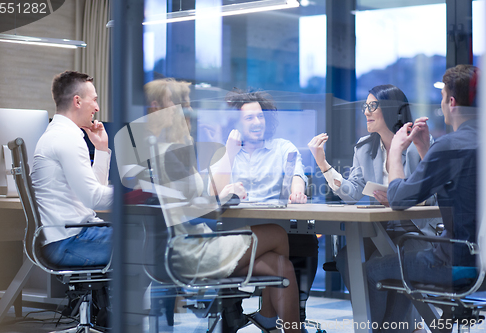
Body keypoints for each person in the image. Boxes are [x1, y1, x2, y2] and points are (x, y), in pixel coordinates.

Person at [140, 81, 303, 333]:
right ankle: (274, 322)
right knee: (278, 234)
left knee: (283, 266)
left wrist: (217, 196)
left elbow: (194, 197)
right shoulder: (169, 152)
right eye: (182, 105)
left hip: (198, 241)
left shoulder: (175, 149)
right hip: (190, 250)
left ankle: (273, 321)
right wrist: (221, 196)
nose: (189, 110)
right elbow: (194, 205)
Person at [308, 85, 440, 330]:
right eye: (365, 106)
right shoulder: (365, 147)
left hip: (415, 231)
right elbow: (352, 193)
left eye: (372, 106)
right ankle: (384, 326)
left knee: (389, 261)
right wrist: (323, 164)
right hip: (378, 230)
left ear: (390, 109)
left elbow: (435, 196)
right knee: (347, 258)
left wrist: (403, 199)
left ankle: (379, 327)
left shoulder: (419, 144)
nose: (365, 112)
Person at [365, 64, 479, 332]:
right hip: (480, 260)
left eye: (442, 98)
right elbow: (458, 189)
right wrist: (426, 148)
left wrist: (395, 152)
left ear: (451, 102)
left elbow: (398, 198)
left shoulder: (452, 145)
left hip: (456, 263)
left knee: (371, 271)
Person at [210, 89, 317, 330]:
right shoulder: (227, 152)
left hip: (267, 235)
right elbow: (212, 193)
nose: (258, 122)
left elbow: (296, 174)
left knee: (283, 266)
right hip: (232, 239)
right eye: (249, 118)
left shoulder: (281, 147)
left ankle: (279, 323)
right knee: (279, 241)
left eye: (261, 116)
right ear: (236, 123)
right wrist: (229, 151)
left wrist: (297, 191)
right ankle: (270, 317)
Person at [32, 70, 113, 267]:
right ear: (77, 102)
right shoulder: (65, 138)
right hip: (70, 241)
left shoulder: (63, 134)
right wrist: (136, 192)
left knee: (145, 238)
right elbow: (94, 198)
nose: (97, 107)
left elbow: (92, 193)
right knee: (151, 241)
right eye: (94, 100)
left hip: (72, 236)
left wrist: (101, 149)